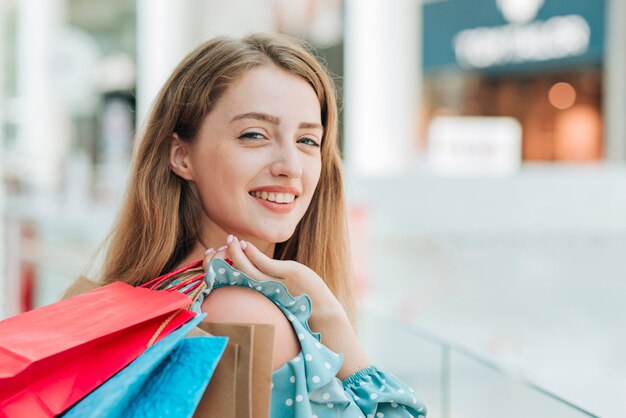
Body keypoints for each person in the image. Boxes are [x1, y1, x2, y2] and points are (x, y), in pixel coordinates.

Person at [97, 33, 426, 417]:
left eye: (307, 140)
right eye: (255, 135)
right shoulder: (242, 314)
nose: (290, 166)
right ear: (181, 155)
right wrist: (332, 319)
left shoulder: (158, 296)